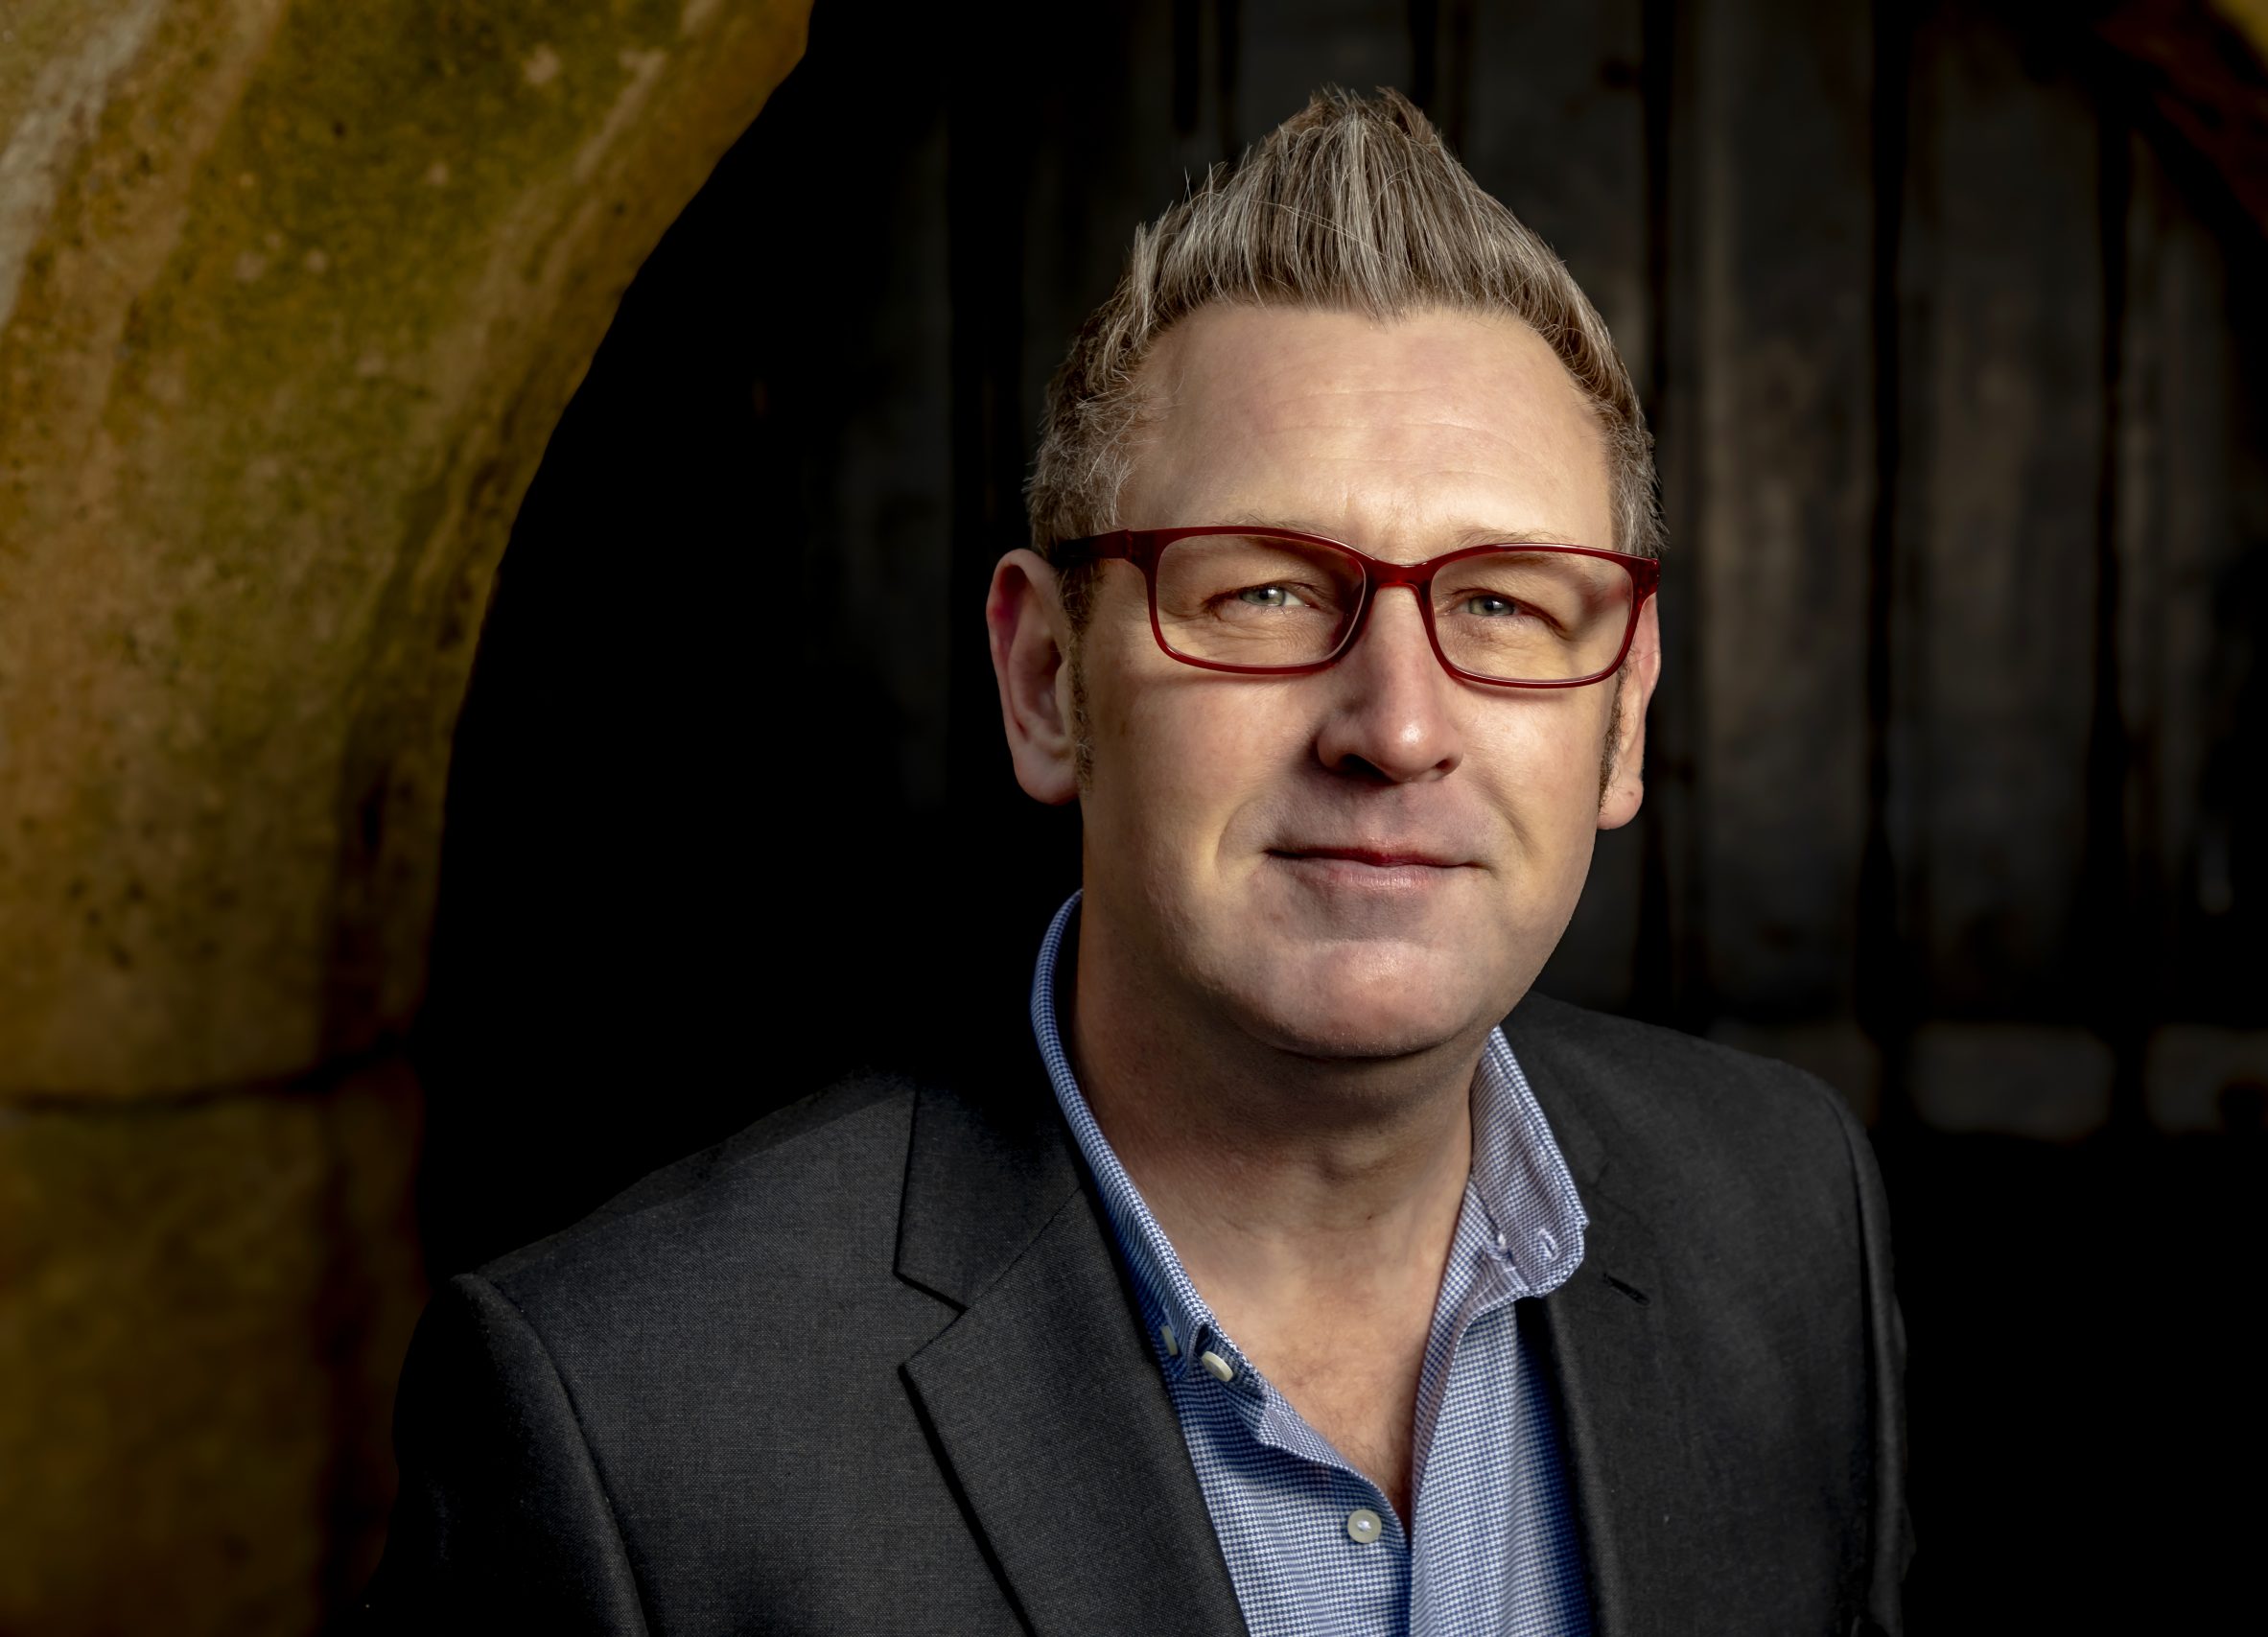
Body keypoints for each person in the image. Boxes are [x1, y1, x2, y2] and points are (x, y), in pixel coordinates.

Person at [360, 87, 1909, 1636]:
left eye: (1504, 603)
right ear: (1047, 684)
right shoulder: (626, 1422)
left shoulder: (1784, 1220)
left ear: (1623, 719)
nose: (1398, 724)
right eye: (1264, 595)